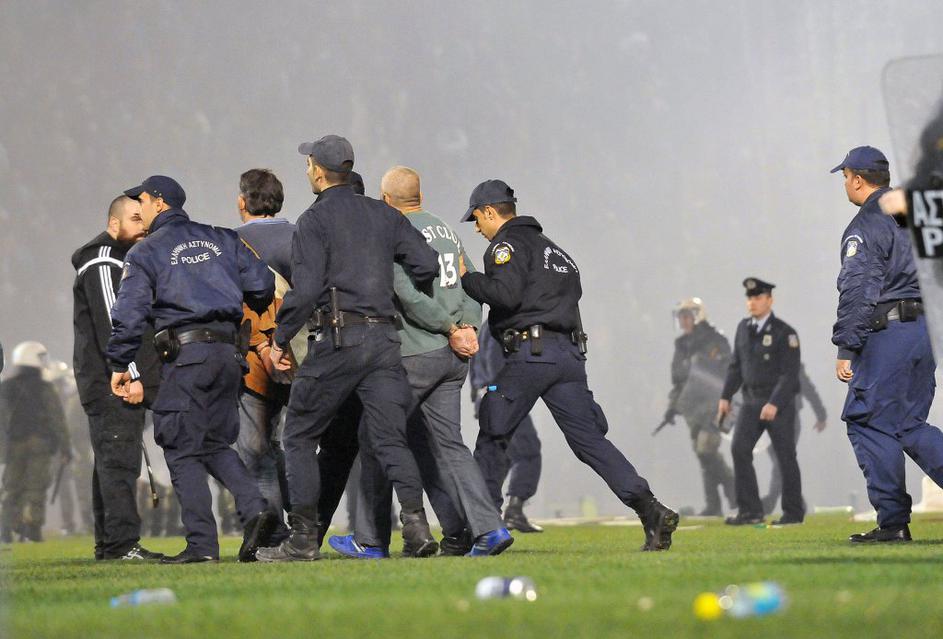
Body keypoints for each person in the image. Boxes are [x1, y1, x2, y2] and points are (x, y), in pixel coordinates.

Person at [458, 179, 679, 551]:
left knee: (493, 431)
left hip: (531, 354)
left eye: (477, 219)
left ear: (490, 212)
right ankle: (650, 509)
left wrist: (468, 278)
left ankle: (484, 527)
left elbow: (505, 296)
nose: (477, 228)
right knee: (590, 441)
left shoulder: (506, 246)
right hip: (568, 356)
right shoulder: (556, 251)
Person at [256, 135, 441, 562]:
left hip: (339, 339)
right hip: (384, 341)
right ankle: (416, 529)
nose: (307, 170)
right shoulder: (384, 214)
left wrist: (280, 338)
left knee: (299, 434)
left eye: (308, 164)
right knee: (392, 439)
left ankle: (303, 539)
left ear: (319, 172)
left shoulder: (314, 220)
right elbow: (426, 264)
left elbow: (305, 291)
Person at [328, 165, 513, 558]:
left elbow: (407, 296)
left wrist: (449, 327)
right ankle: (488, 529)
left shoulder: (393, 231)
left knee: (376, 437)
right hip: (453, 357)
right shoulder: (445, 229)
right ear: (420, 197)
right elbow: (470, 281)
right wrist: (468, 326)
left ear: (385, 201)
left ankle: (369, 539)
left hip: (416, 352)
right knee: (449, 445)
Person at [107, 175, 278, 563]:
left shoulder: (146, 252)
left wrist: (120, 362)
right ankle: (257, 509)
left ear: (159, 202)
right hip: (228, 355)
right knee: (214, 443)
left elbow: (129, 313)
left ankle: (202, 546)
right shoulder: (222, 237)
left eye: (142, 201)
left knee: (178, 445)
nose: (139, 209)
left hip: (187, 356)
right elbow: (262, 283)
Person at [831, 146, 943, 543]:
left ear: (859, 179)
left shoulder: (866, 223)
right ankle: (893, 521)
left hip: (889, 332)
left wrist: (847, 347)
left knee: (868, 421)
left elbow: (859, 289)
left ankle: (893, 522)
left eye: (846, 177)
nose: (846, 184)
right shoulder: (918, 213)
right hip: (925, 332)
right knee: (908, 424)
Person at [71, 195, 163, 560]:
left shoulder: (117, 259)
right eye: (135, 219)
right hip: (114, 382)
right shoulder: (103, 260)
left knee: (111, 462)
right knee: (120, 463)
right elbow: (113, 321)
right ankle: (123, 545)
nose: (143, 227)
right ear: (113, 224)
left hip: (109, 379)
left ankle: (110, 545)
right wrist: (132, 374)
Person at [233, 168, 294, 541]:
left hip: (257, 362)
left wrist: (262, 346)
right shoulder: (302, 237)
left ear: (242, 202)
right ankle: (305, 525)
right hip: (304, 357)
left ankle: (273, 534)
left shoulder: (231, 243)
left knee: (255, 451)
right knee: (291, 445)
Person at [718, 278, 804, 526]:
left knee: (784, 457)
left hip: (778, 404)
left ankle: (793, 513)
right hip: (751, 400)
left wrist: (774, 403)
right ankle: (750, 511)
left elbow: (790, 374)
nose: (752, 303)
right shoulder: (743, 328)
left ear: (769, 300)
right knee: (739, 449)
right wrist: (725, 396)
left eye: (757, 298)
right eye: (750, 298)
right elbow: (736, 366)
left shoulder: (784, 333)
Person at [663, 298, 735, 517]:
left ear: (697, 316)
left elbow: (729, 371)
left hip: (715, 404)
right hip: (692, 409)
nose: (683, 321)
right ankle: (713, 504)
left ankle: (734, 489)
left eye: (687, 316)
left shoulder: (715, 339)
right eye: (681, 317)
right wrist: (672, 407)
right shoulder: (681, 345)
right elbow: (679, 381)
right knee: (702, 454)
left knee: (706, 449)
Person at [470, 319, 544, 532]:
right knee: (527, 451)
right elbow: (495, 364)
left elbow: (477, 365)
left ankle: (488, 513)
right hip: (503, 397)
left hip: (489, 396)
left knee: (500, 456)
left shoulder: (486, 326)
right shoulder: (502, 325)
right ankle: (512, 510)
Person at [0, 342, 70, 542]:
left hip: (13, 445)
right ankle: (32, 528)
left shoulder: (6, 386)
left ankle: (6, 528)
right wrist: (65, 448)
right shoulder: (45, 387)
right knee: (36, 487)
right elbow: (57, 419)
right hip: (40, 444)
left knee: (11, 487)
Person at [761, 363, 827, 515]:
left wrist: (821, 414)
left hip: (788, 417)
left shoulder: (791, 362)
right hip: (767, 419)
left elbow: (808, 388)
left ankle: (770, 502)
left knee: (781, 461)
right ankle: (797, 501)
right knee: (782, 463)